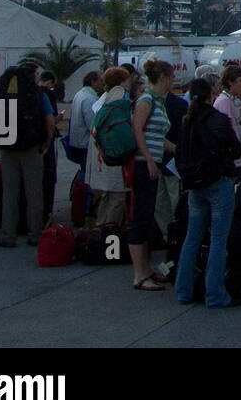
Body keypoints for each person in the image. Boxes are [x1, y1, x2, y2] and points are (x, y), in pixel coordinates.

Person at [173, 78, 241, 308]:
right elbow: (235, 150)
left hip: (194, 183)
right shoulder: (217, 120)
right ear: (209, 95)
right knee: (218, 239)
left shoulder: (187, 121)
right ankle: (215, 293)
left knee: (192, 238)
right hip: (218, 180)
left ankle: (183, 290)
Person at [0, 62, 54, 247]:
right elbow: (50, 121)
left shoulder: (2, 94)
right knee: (34, 192)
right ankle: (35, 233)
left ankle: (7, 234)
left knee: (10, 192)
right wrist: (46, 143)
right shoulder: (38, 95)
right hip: (31, 147)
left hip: (7, 146)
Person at [129, 58, 176, 289]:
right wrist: (148, 159)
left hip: (152, 161)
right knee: (141, 215)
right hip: (142, 164)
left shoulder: (157, 101)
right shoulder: (147, 100)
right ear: (164, 77)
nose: (174, 81)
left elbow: (157, 136)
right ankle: (139, 274)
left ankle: (145, 269)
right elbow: (136, 128)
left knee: (147, 216)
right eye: (172, 77)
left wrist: (176, 149)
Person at [86, 67, 131, 227]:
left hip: (101, 158)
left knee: (106, 196)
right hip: (112, 157)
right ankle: (109, 233)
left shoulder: (102, 101)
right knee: (117, 197)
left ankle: (100, 228)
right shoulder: (117, 101)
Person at [66, 69, 103, 173]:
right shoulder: (89, 98)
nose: (102, 83)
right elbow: (92, 124)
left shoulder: (80, 94)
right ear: (93, 82)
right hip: (85, 144)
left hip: (78, 142)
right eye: (100, 80)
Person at [38, 69, 61, 221]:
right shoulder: (45, 95)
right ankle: (45, 216)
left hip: (26, 144)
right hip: (45, 143)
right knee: (46, 180)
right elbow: (50, 122)